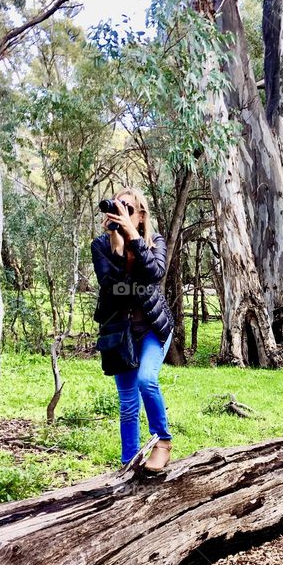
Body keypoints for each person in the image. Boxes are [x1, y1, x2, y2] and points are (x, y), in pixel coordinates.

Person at [91, 187, 174, 471]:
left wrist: (134, 239)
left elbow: (155, 273)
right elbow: (110, 287)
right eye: (117, 206)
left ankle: (163, 443)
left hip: (152, 327)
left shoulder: (154, 241)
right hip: (119, 333)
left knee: (146, 380)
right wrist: (117, 247)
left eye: (127, 207)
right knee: (127, 404)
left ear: (140, 216)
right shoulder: (101, 246)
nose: (120, 211)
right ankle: (129, 462)